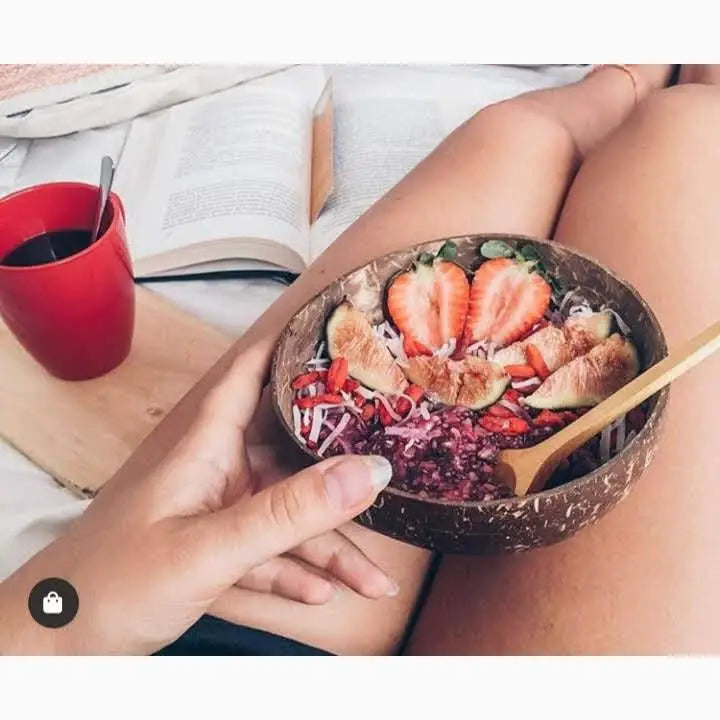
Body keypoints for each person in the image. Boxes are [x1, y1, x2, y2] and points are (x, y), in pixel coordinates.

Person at [1, 64, 719, 655]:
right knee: (689, 129)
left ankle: (611, 90)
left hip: (181, 627)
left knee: (516, 133)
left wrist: (67, 611)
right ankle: (649, 89)